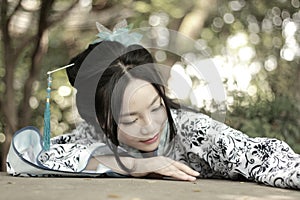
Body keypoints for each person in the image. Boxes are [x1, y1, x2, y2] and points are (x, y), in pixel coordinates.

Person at [6, 23, 300, 190]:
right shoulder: (93, 137)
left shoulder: (193, 131)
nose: (150, 126)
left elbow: (268, 159)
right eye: (130, 119)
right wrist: (131, 164)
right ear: (99, 120)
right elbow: (23, 159)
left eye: (156, 107)